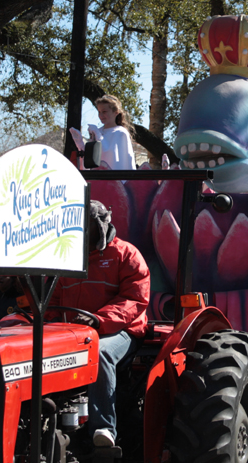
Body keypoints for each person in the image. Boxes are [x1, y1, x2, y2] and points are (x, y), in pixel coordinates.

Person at [49, 200, 150, 448]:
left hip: (120, 331)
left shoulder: (126, 254)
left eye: (84, 226)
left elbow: (135, 298)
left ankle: (104, 428)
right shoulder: (67, 260)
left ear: (100, 226)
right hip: (74, 332)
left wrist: (99, 320)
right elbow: (53, 301)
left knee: (100, 352)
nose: (78, 232)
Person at [87, 94, 136, 170]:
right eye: (99, 112)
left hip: (113, 178)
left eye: (104, 112)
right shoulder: (98, 131)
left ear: (115, 112)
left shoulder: (120, 132)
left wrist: (98, 136)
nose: (101, 115)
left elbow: (109, 155)